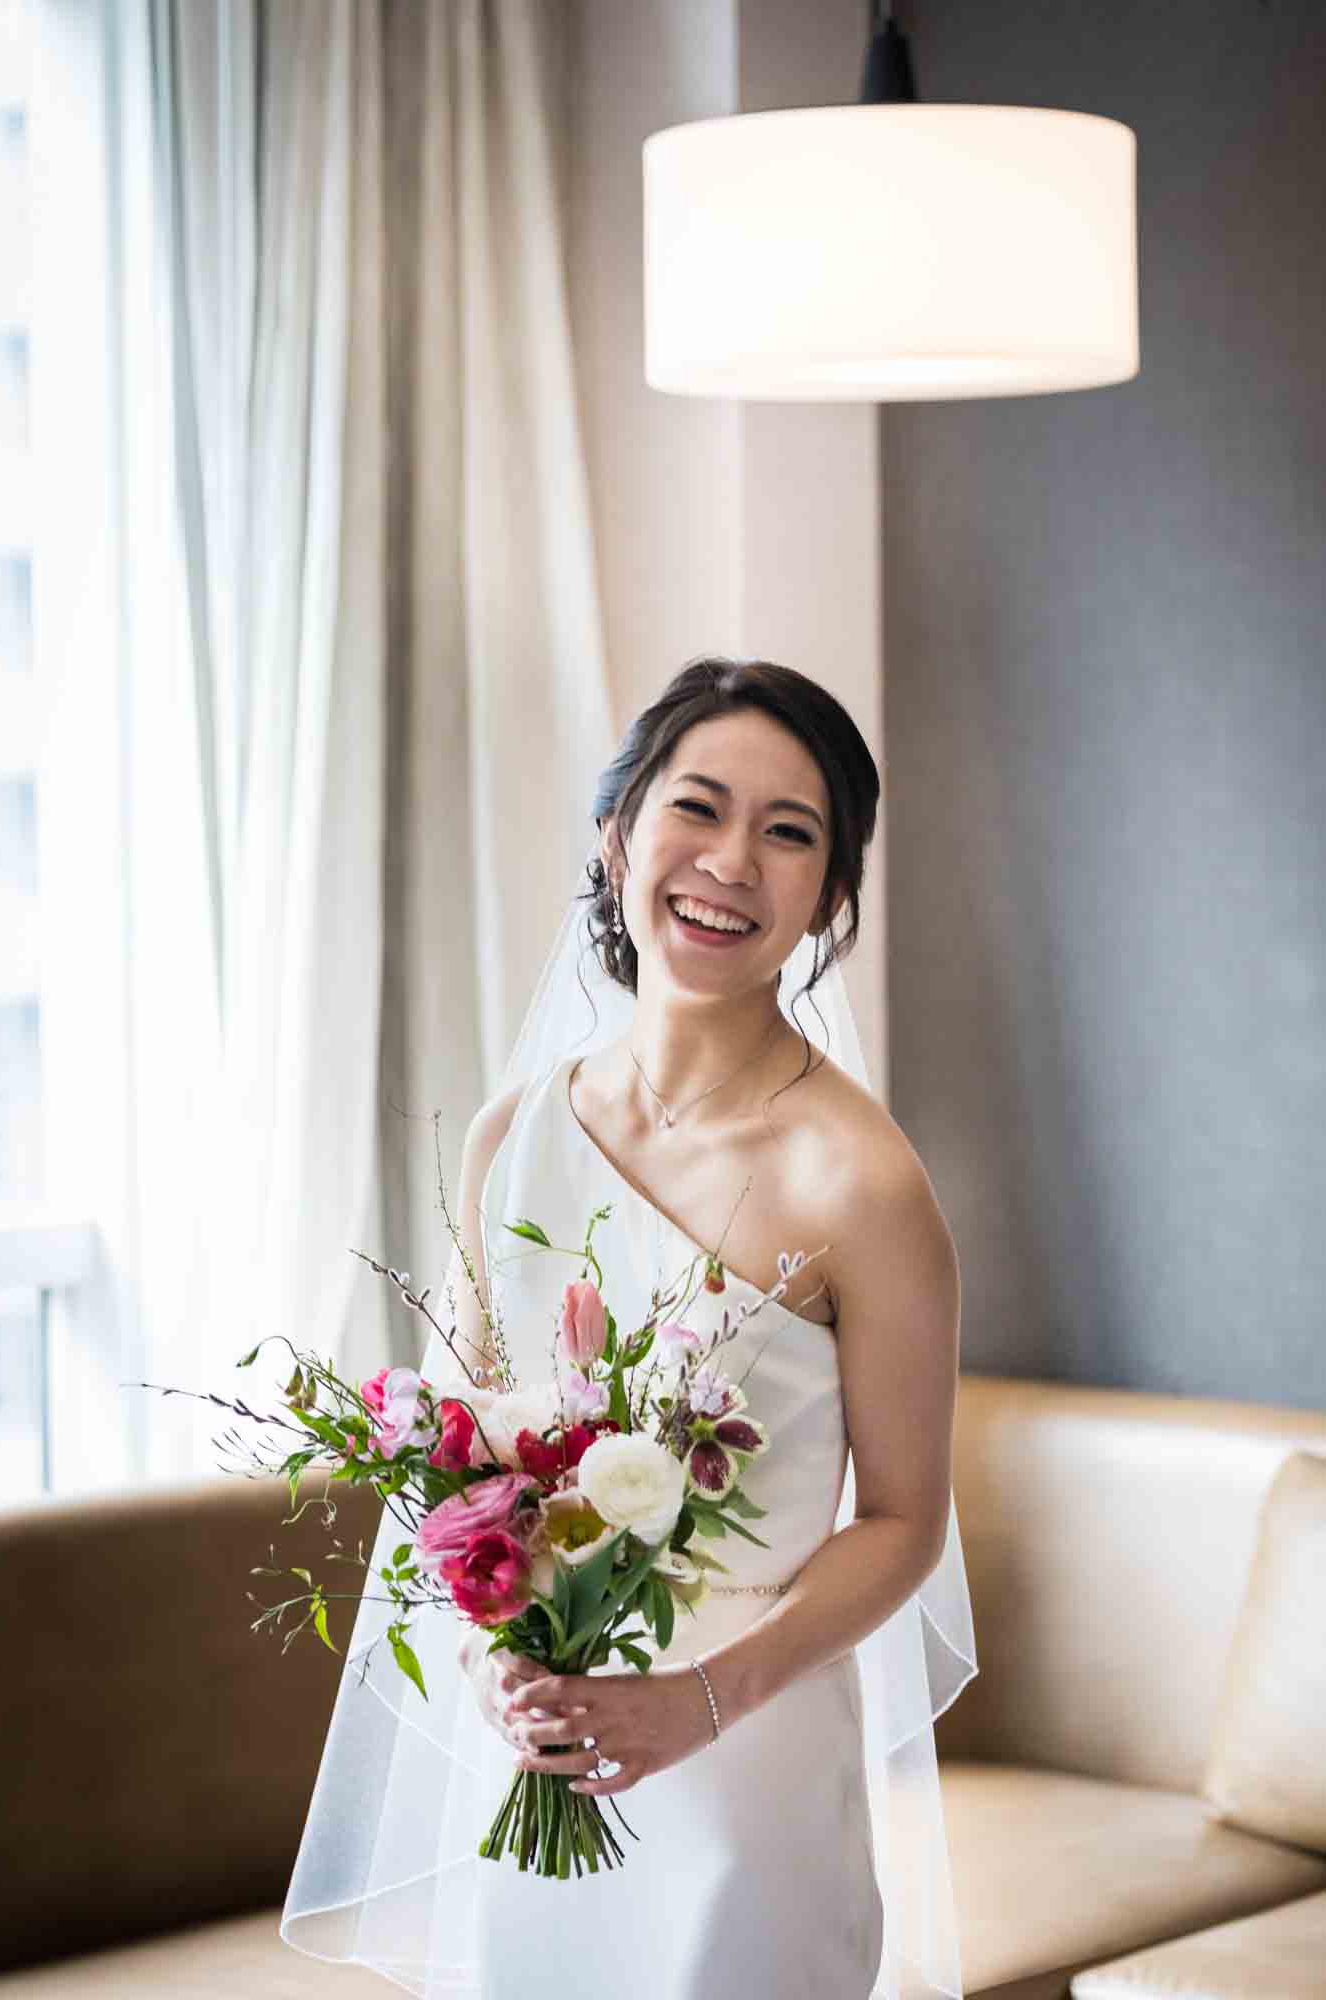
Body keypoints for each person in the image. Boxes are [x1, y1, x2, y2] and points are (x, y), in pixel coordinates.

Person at [280, 656, 977, 1999]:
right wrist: (496, 1658)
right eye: (695, 809)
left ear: (831, 894)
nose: (729, 863)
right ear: (616, 836)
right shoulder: (514, 1132)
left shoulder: (861, 1183)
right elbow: (464, 1459)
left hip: (745, 1780)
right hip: (534, 1762)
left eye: (788, 833)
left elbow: (901, 1522)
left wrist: (695, 1703)